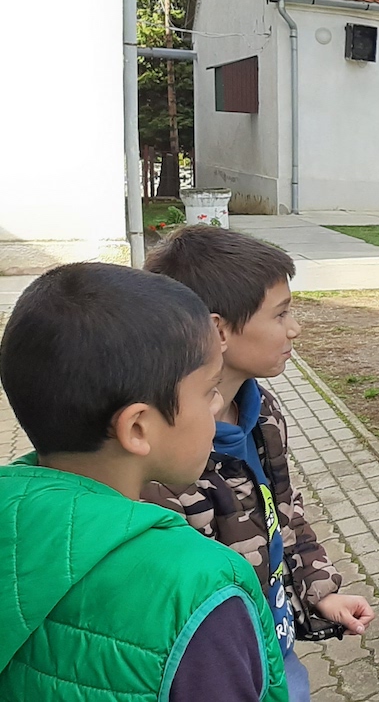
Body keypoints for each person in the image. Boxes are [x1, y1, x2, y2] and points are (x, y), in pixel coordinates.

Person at [0, 263, 289, 701]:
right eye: (209, 390)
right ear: (137, 428)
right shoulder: (201, 586)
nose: (217, 407)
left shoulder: (15, 524)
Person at [144, 226, 375, 701]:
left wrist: (320, 592)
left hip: (273, 648)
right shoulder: (164, 456)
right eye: (281, 313)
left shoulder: (261, 410)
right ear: (218, 331)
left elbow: (282, 510)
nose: (294, 328)